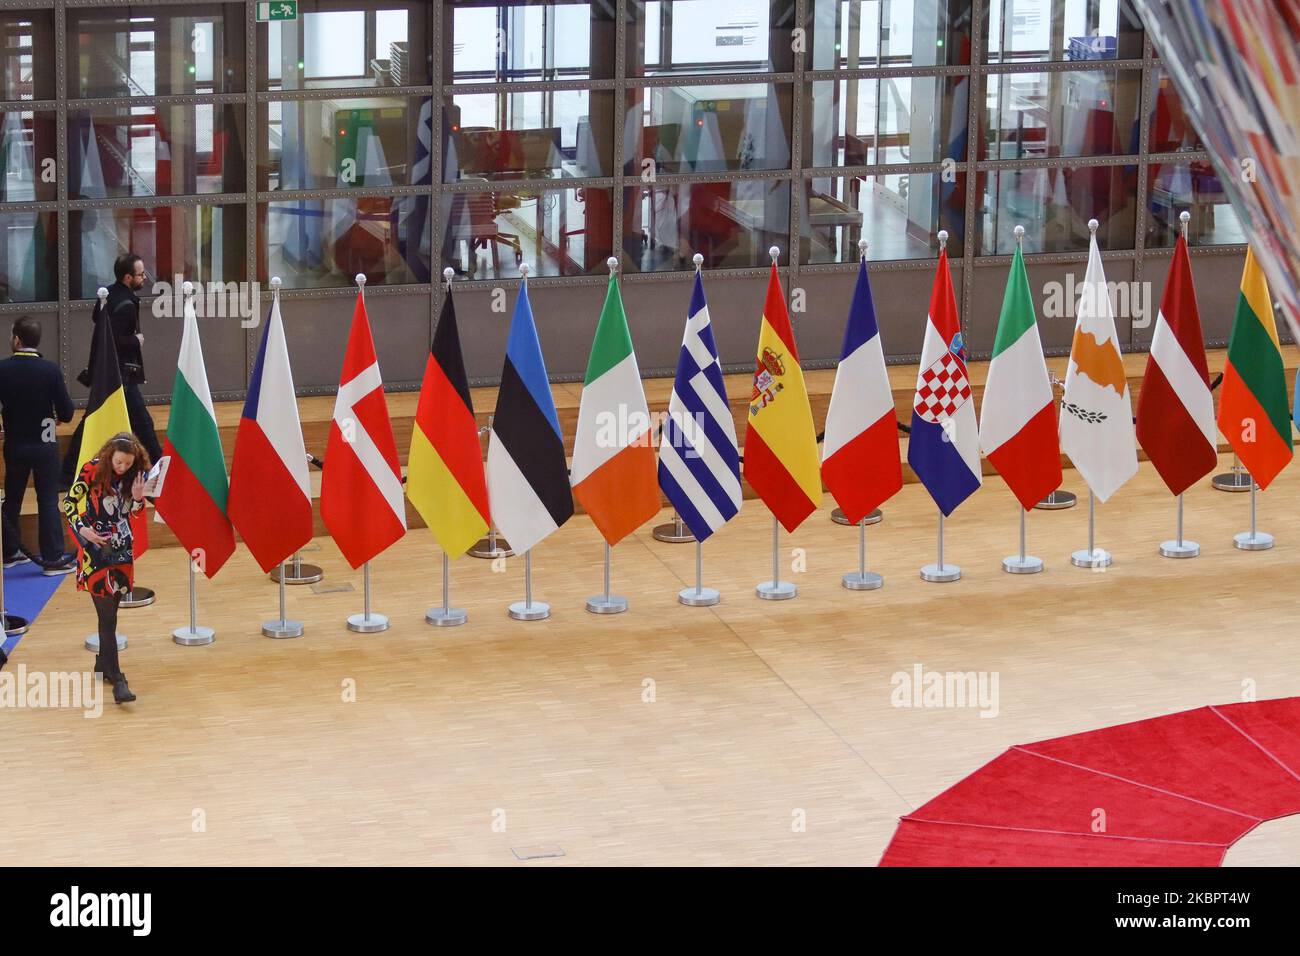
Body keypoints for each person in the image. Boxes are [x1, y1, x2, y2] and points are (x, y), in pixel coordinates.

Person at [61, 253, 163, 487]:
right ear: (128, 277)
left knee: (92, 418)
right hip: (121, 375)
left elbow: (100, 323)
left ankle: (67, 473)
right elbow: (115, 341)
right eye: (140, 274)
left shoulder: (108, 295)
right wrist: (136, 340)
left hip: (108, 373)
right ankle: (160, 469)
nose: (144, 277)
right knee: (144, 425)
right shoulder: (126, 304)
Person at [63, 433, 149, 704]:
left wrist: (137, 498)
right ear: (110, 454)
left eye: (127, 463)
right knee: (107, 617)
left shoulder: (135, 475)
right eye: (119, 462)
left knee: (112, 615)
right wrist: (83, 530)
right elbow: (68, 504)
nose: (122, 467)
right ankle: (118, 679)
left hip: (122, 551)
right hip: (95, 551)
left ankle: (103, 664)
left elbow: (134, 513)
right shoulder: (92, 469)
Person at [0, 317, 76, 574]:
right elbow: (66, 413)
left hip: (15, 444)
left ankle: (9, 553)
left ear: (17, 340)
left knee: (12, 499)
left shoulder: (3, 369)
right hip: (44, 445)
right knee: (46, 500)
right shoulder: (50, 370)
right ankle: (53, 559)